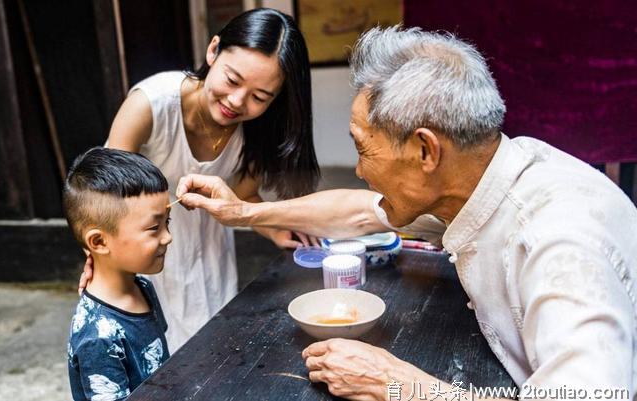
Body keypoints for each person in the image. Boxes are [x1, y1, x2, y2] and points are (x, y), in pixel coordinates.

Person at [174, 26, 637, 400]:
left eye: (362, 149)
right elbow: (357, 212)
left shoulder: (557, 244)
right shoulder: (485, 176)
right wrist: (242, 212)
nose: (357, 170)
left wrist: (396, 384)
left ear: (424, 150)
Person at [80, 8, 321, 350]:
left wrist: (276, 227)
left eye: (259, 97)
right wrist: (100, 266)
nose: (237, 102)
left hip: (211, 262)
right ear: (213, 50)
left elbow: (244, 198)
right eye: (232, 80)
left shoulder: (258, 129)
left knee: (211, 355)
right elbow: (99, 196)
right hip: (146, 262)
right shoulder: (151, 106)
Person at [65, 148, 172, 401]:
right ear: (99, 242)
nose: (168, 237)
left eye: (168, 222)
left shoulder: (143, 286)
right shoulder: (97, 337)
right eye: (154, 227)